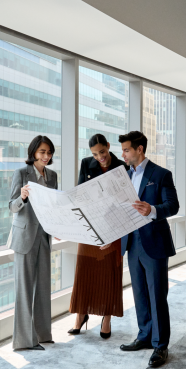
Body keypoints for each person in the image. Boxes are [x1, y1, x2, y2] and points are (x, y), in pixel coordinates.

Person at [118, 131, 179, 367]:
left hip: (154, 242)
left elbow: (172, 205)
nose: (123, 154)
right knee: (140, 294)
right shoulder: (124, 175)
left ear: (139, 149)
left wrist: (151, 210)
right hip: (131, 242)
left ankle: (160, 345)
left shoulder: (161, 174)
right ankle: (144, 336)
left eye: (126, 150)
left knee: (157, 296)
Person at [68, 134, 129, 338]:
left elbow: (126, 200)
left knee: (110, 274)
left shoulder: (122, 167)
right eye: (95, 154)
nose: (99, 157)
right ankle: (81, 314)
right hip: (90, 227)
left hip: (113, 227)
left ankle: (107, 317)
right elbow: (79, 194)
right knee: (84, 270)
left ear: (108, 147)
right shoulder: (86, 164)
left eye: (102, 152)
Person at [8, 135, 58, 351]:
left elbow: (53, 205)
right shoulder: (21, 174)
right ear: (33, 153)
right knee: (25, 290)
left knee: (43, 288)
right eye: (42, 152)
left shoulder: (53, 176)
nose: (46, 156)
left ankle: (42, 334)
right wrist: (23, 198)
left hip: (44, 237)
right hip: (25, 237)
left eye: (49, 152)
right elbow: (11, 206)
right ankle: (24, 341)